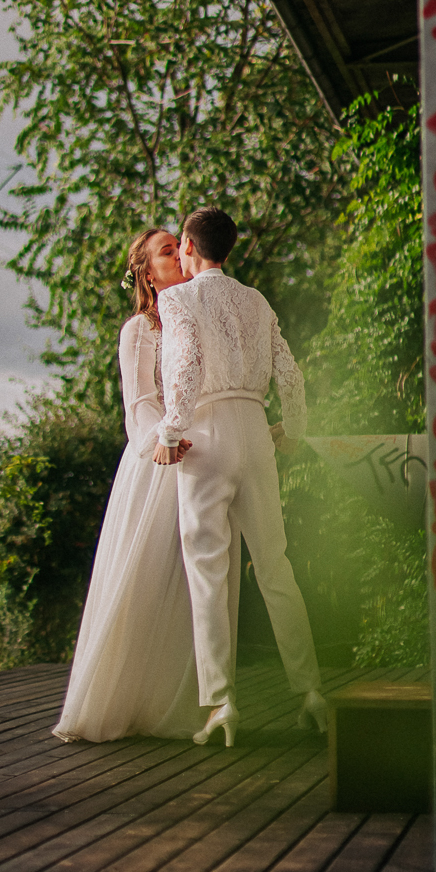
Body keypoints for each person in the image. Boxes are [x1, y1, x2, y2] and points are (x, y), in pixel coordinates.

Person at [52, 227, 238, 743]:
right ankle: (122, 700)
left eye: (177, 247)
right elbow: (139, 407)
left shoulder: (199, 314)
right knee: (147, 578)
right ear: (145, 273)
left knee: (192, 585)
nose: (177, 255)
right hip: (158, 461)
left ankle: (182, 703)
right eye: (164, 251)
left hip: (206, 456)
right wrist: (168, 438)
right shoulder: (140, 329)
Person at [154, 205, 327, 747]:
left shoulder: (177, 298)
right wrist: (292, 429)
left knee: (208, 569)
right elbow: (290, 372)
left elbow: (184, 366)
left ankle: (223, 703)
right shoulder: (255, 300)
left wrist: (169, 432)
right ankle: (312, 693)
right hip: (255, 429)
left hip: (205, 433)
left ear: (188, 245)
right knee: (275, 567)